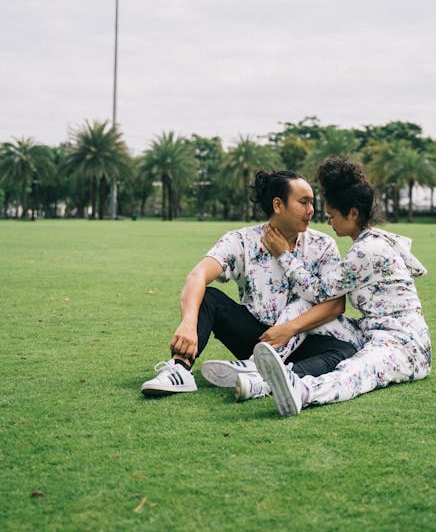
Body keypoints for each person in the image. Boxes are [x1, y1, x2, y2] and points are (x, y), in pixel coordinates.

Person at [141, 169, 361, 400]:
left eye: (312, 203)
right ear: (278, 205)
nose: (311, 211)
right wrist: (188, 323)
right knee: (209, 298)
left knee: (345, 351)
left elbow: (336, 305)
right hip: (258, 338)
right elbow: (198, 275)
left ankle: (272, 379)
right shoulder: (241, 241)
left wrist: (289, 329)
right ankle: (179, 369)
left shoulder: (322, 245)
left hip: (304, 336)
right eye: (303, 202)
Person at [255, 157, 431, 417]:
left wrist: (284, 255)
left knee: (359, 370)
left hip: (404, 345)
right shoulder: (368, 242)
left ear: (353, 214)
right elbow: (313, 299)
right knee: (305, 309)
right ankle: (255, 370)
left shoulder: (368, 250)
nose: (328, 222)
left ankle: (302, 391)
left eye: (332, 216)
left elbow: (318, 290)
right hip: (367, 331)